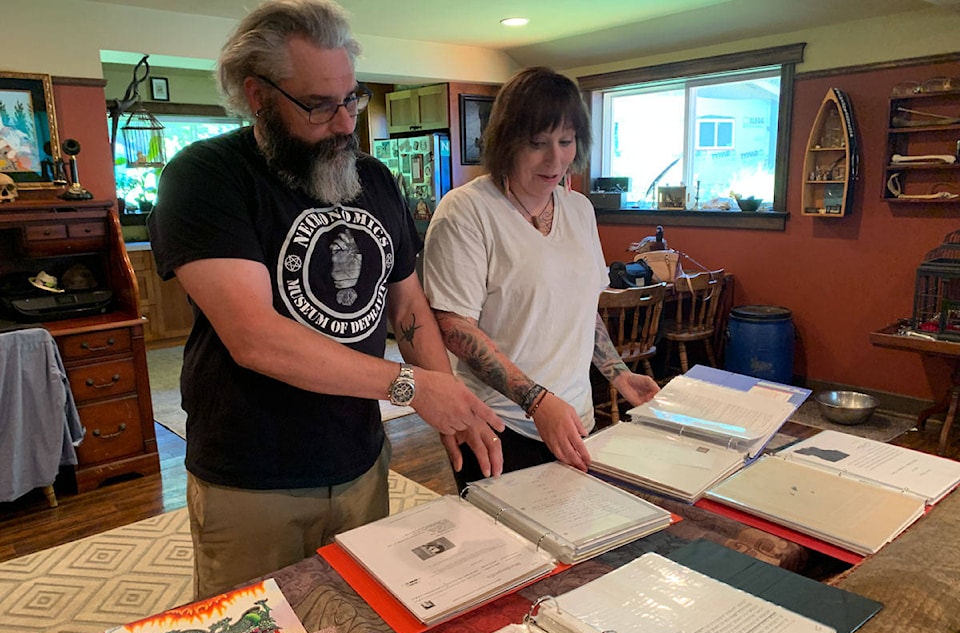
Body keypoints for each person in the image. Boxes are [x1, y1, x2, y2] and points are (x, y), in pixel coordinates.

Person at [147, 0, 504, 600]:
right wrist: (412, 387)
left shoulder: (376, 179)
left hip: (361, 458)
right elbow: (255, 338)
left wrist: (449, 408)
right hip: (253, 474)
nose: (344, 124)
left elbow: (409, 310)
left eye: (351, 99)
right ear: (257, 95)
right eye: (318, 105)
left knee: (360, 612)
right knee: (255, 622)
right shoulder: (206, 176)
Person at [422, 67, 659, 491]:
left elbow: (581, 304)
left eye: (565, 142)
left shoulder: (580, 210)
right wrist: (536, 401)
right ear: (506, 142)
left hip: (573, 419)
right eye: (537, 144)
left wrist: (618, 373)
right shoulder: (466, 212)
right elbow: (454, 327)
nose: (555, 160)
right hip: (499, 426)